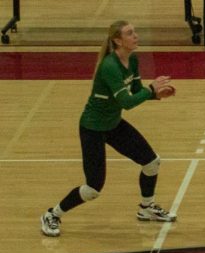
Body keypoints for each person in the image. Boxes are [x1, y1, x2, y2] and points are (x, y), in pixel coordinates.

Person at [40, 21, 178, 238]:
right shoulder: (109, 66)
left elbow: (135, 91)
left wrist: (155, 95)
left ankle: (146, 208)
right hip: (93, 128)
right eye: (130, 34)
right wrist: (151, 89)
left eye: (135, 32)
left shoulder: (132, 59)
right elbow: (127, 102)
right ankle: (52, 214)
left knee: (151, 162)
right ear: (117, 40)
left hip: (113, 123)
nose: (136, 36)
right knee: (93, 189)